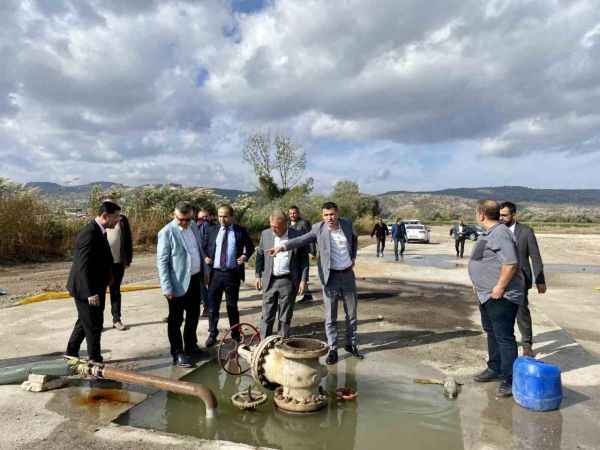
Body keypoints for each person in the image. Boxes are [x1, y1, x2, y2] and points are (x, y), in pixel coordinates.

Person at [269, 201, 362, 365]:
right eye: (326, 215)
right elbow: (301, 240)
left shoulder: (347, 224)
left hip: (347, 275)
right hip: (330, 277)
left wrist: (353, 256)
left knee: (352, 315)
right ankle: (333, 349)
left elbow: (354, 239)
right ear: (322, 216)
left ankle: (351, 344)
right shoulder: (319, 228)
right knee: (330, 317)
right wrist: (282, 247)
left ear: (338, 213)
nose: (329, 218)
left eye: (332, 214)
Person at [468, 200, 525, 398]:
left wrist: (499, 287)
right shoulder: (490, 233)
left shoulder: (500, 233)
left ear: (482, 214)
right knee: (491, 332)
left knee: (504, 336)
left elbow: (511, 263)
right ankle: (494, 368)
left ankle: (510, 379)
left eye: (476, 212)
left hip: (501, 295)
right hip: (486, 294)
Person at [65, 202, 121, 363]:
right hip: (87, 288)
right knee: (94, 325)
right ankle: (95, 361)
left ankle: (71, 353)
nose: (118, 220)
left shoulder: (100, 231)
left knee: (84, 322)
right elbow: (82, 266)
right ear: (105, 216)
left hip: (97, 285)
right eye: (116, 217)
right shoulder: (89, 233)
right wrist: (90, 293)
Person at [157, 201, 206, 368]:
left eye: (188, 219)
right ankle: (177, 353)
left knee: (193, 316)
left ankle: (191, 345)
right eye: (181, 220)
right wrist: (167, 287)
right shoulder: (166, 232)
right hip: (177, 284)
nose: (185, 223)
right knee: (176, 319)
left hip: (194, 279)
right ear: (174, 215)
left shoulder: (193, 227)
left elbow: (199, 250)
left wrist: (204, 273)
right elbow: (162, 262)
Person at [202, 204, 255, 347]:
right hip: (215, 274)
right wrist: (206, 257)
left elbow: (250, 247)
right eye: (219, 216)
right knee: (213, 307)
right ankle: (213, 334)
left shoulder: (240, 231)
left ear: (232, 216)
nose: (222, 219)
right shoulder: (212, 230)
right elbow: (203, 247)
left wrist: (244, 256)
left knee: (232, 306)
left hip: (232, 274)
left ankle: (236, 334)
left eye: (225, 216)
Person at [499, 201, 546, 357]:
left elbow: (535, 257)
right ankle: (505, 342)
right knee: (501, 312)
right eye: (500, 215)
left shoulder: (526, 232)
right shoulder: (497, 230)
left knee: (521, 312)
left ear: (514, 215)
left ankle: (527, 345)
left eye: (505, 215)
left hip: (521, 279)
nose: (502, 218)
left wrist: (540, 280)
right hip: (501, 278)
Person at [255, 209, 309, 338]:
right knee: (267, 315)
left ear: (286, 224)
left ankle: (282, 341)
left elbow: (304, 259)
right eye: (272, 226)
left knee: (285, 316)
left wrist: (303, 280)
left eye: (277, 228)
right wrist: (258, 275)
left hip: (289, 281)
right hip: (270, 280)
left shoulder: (297, 235)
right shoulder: (266, 234)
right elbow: (260, 255)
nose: (274, 230)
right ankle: (264, 342)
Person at [105, 202, 133, 331]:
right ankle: (96, 321)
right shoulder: (102, 221)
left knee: (115, 290)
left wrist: (128, 258)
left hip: (118, 262)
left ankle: (116, 319)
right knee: (99, 292)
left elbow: (128, 239)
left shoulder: (123, 220)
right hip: (104, 263)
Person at [288, 205, 315, 303]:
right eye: (290, 213)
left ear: (298, 213)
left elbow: (311, 237)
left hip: (303, 252)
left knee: (303, 273)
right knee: (296, 274)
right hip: (293, 252)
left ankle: (306, 294)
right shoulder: (288, 224)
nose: (292, 215)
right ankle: (306, 294)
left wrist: (312, 252)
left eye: (294, 213)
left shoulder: (304, 223)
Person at [196, 207, 217, 318]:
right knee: (201, 284)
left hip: (211, 260)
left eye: (206, 217)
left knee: (211, 284)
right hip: (198, 260)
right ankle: (206, 306)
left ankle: (210, 305)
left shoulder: (216, 228)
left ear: (210, 216)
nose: (204, 219)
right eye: (201, 217)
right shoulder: (194, 228)